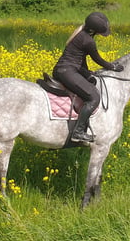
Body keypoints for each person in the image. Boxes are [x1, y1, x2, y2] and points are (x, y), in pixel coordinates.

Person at [53, 12, 124, 143]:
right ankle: (78, 132)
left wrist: (87, 74)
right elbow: (97, 59)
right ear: (94, 30)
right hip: (68, 71)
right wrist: (112, 67)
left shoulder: (80, 34)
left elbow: (80, 59)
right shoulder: (88, 41)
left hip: (64, 69)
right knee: (94, 97)